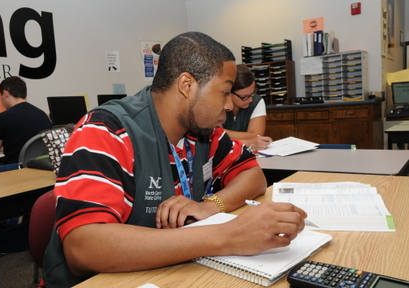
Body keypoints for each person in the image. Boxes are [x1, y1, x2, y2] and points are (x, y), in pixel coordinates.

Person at [42, 32, 307, 288]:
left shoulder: (204, 131)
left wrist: (211, 206)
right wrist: (228, 236)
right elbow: (84, 247)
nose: (229, 106)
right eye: (225, 92)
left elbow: (252, 175)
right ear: (187, 85)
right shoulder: (106, 130)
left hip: (171, 272)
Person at [0, 76, 52, 168]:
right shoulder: (43, 115)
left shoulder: (2, 119)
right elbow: (28, 147)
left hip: (14, 173)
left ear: (5, 93)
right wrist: (1, 149)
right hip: (40, 170)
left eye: (0, 96)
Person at [223, 64, 273, 150]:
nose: (250, 100)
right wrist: (249, 140)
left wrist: (223, 134)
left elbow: (257, 135)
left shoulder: (257, 101)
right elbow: (211, 135)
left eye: (252, 94)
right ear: (229, 93)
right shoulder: (217, 104)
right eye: (245, 96)